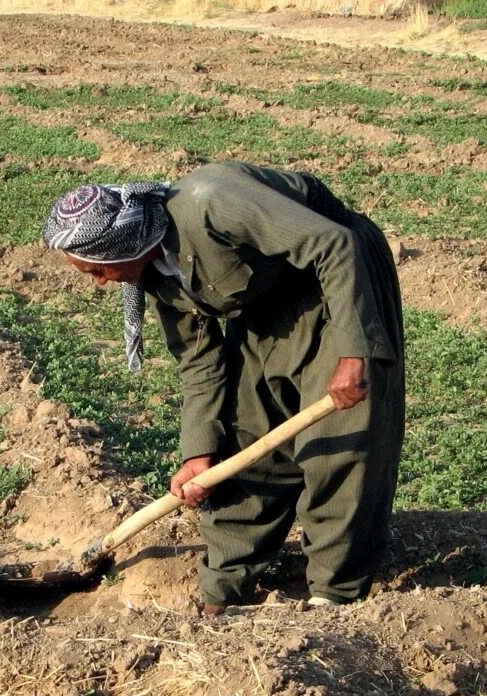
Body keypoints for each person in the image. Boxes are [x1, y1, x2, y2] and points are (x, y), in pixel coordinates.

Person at [42, 162, 405, 615]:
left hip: (339, 284)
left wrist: (355, 353)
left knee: (337, 449)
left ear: (121, 244)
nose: (99, 282)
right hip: (268, 304)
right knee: (245, 436)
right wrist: (198, 453)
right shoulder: (154, 272)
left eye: (97, 269)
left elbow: (335, 245)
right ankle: (224, 590)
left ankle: (331, 596)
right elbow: (199, 360)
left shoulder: (210, 202)